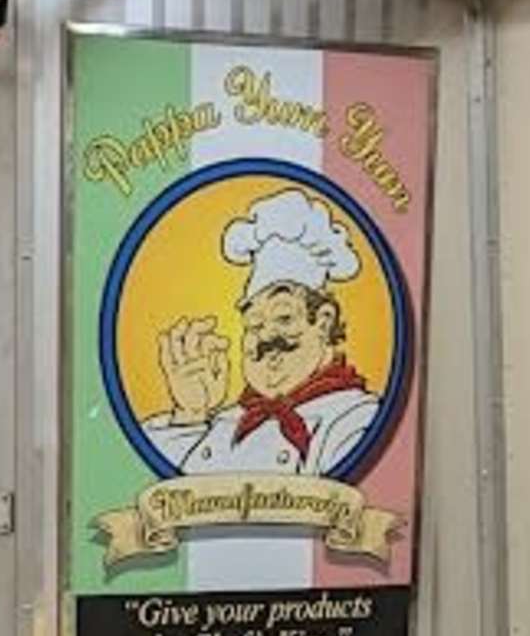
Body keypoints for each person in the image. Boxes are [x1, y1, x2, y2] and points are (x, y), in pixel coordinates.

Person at [149, 187, 388, 477]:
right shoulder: (226, 421)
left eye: (284, 317)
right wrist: (189, 416)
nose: (266, 337)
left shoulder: (355, 420)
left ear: (324, 322)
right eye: (254, 324)